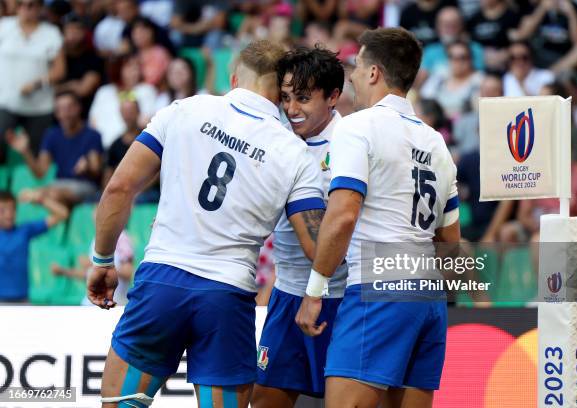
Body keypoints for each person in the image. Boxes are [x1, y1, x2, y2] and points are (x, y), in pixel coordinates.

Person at [87, 40, 327, 408]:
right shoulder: (293, 152)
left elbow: (119, 188)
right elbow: (317, 246)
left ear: (234, 77)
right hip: (226, 298)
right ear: (280, 92)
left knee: (121, 404)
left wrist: (103, 261)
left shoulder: (184, 110)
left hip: (162, 283)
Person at [295, 27, 460, 408]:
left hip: (379, 289)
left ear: (374, 74)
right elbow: (450, 244)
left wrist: (315, 291)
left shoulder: (358, 126)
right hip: (428, 300)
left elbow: (342, 216)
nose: (351, 74)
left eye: (356, 65)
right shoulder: (436, 142)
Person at [252, 46, 347, 407]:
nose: (292, 109)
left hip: (338, 298)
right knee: (263, 400)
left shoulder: (350, 143)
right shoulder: (276, 143)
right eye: (286, 97)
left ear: (333, 97)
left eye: (304, 99)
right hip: (287, 294)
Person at [7, 91, 103, 207]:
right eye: (60, 109)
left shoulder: (92, 135)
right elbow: (40, 172)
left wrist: (86, 168)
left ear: (78, 108)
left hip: (85, 185)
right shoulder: (51, 134)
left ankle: (46, 201)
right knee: (29, 194)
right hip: (58, 184)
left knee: (49, 194)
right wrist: (25, 151)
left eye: (69, 108)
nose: (64, 113)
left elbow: (96, 170)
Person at [0, 0, 65, 162]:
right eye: (21, 4)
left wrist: (37, 83)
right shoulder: (4, 26)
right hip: (5, 102)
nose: (25, 9)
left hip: (40, 106)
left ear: (39, 8)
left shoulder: (51, 33)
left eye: (31, 5)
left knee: (35, 154)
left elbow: (59, 70)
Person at [0, 189, 68, 303]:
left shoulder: (24, 231)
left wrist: (40, 199)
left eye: (13, 209)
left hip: (23, 299)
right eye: (2, 210)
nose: (9, 214)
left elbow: (63, 214)